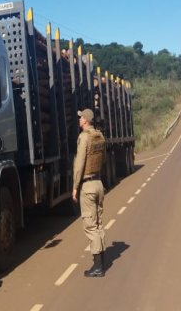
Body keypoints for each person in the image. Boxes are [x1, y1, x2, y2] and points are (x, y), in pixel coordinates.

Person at [72, 108, 107, 277]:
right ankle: (102, 258)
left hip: (87, 185)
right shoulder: (100, 136)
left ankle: (98, 266)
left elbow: (80, 163)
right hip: (99, 183)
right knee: (99, 223)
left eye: (81, 118)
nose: (79, 120)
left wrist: (75, 186)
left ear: (86, 120)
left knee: (90, 225)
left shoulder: (84, 137)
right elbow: (103, 159)